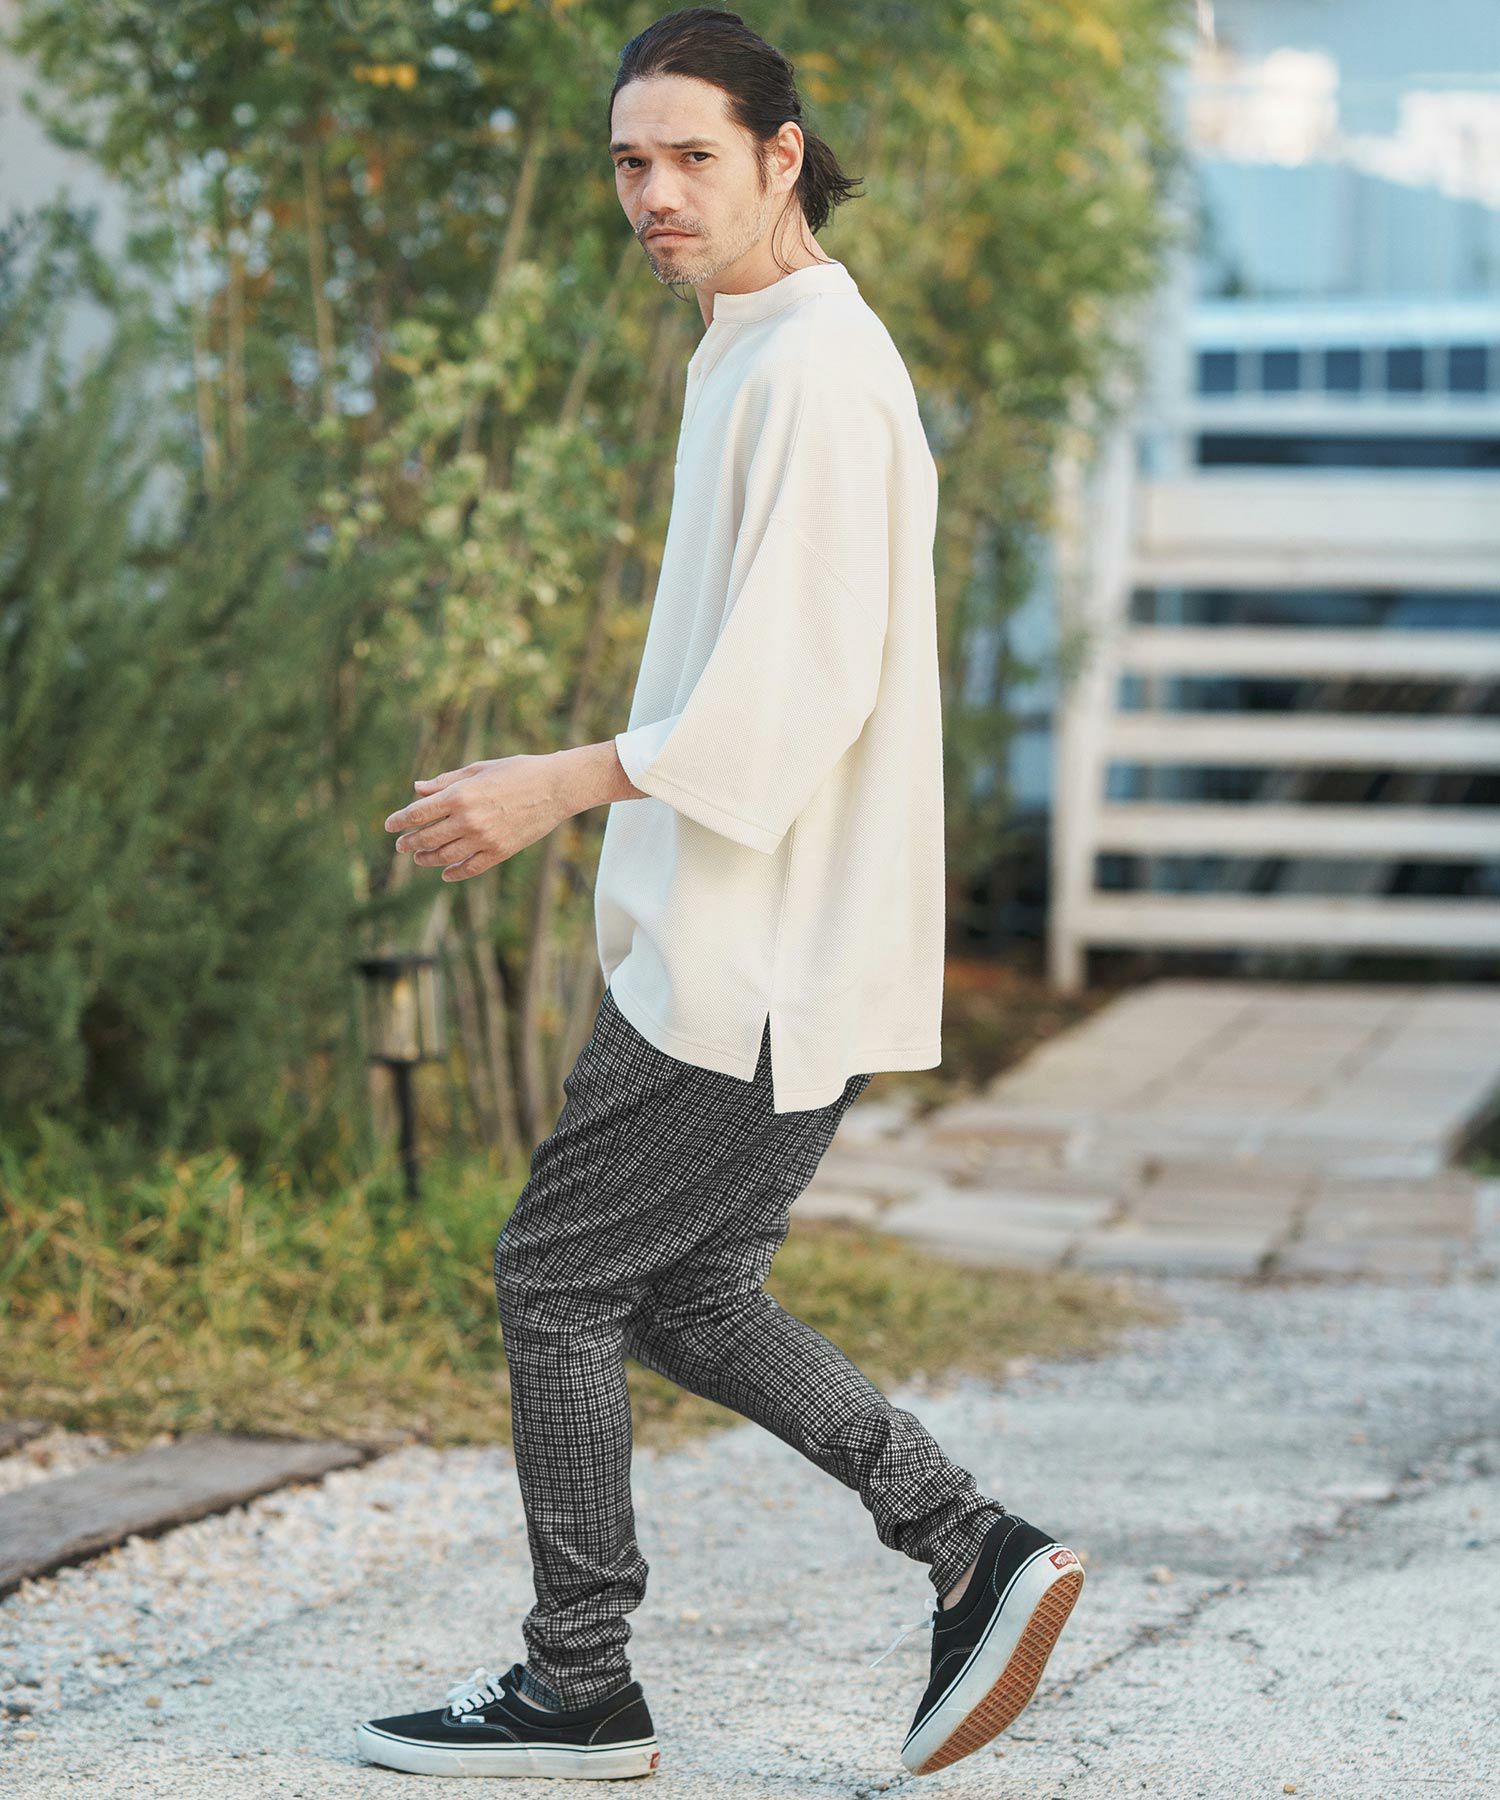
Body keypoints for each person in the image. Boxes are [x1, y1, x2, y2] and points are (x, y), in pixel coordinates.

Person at [356, 8, 1084, 1782]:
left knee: (554, 1277)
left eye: (693, 156)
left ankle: (579, 1683)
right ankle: (969, 1543)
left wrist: (557, 782)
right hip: (755, 925)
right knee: (684, 1292)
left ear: (782, 153)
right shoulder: (756, 349)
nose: (656, 195)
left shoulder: (817, 368)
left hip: (761, 941)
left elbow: (796, 691)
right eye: (631, 163)